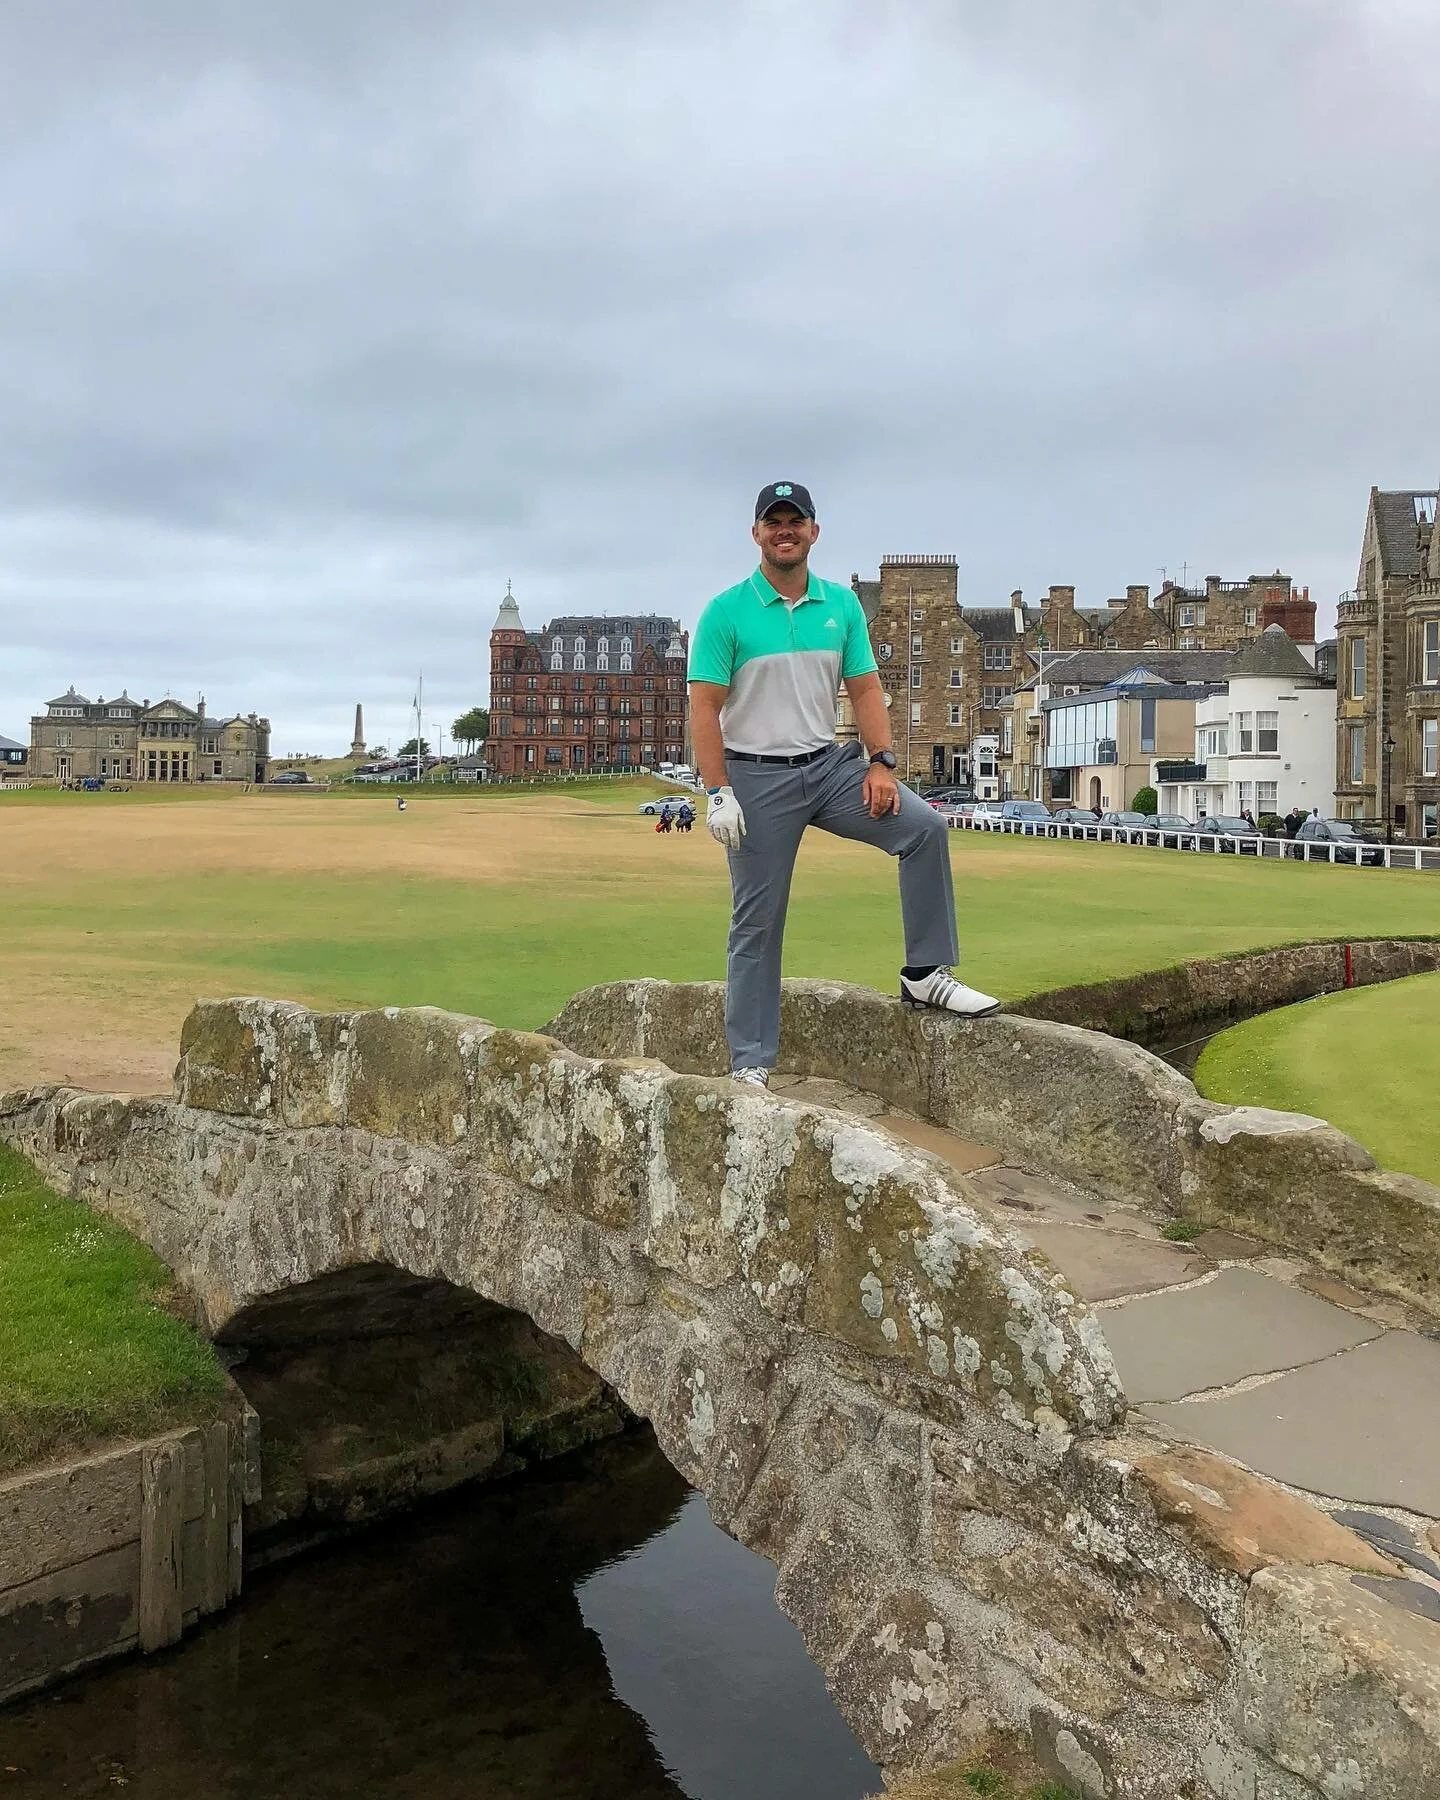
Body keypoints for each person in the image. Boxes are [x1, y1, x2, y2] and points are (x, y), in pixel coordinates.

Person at [688, 480, 999, 1089]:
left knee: (925, 828)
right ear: (756, 533)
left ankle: (924, 974)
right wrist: (718, 791)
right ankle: (751, 1059)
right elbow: (704, 708)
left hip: (828, 768)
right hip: (756, 777)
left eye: (795, 521)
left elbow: (863, 691)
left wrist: (882, 761)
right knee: (758, 917)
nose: (785, 531)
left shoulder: (842, 606)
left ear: (813, 531)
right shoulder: (726, 611)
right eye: (773, 522)